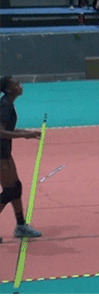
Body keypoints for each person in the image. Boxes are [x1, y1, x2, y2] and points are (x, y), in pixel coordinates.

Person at [0, 76, 43, 240]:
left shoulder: (8, 103)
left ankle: (21, 225)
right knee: (10, 191)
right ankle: (21, 225)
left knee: (16, 188)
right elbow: (1, 132)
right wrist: (24, 135)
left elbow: (9, 129)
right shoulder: (5, 105)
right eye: (16, 83)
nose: (20, 85)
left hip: (5, 152)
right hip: (0, 154)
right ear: (9, 89)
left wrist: (27, 133)